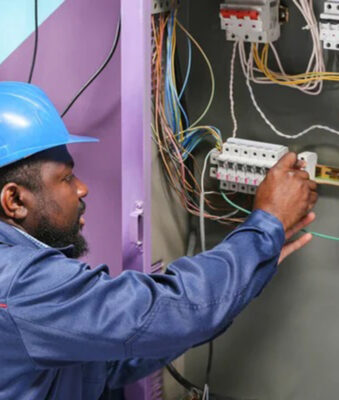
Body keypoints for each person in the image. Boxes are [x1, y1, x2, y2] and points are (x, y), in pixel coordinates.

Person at [0, 82, 317, 400]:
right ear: (14, 199)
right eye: (67, 178)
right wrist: (266, 225)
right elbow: (161, 311)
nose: (82, 188)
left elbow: (108, 361)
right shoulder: (20, 283)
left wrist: (246, 271)